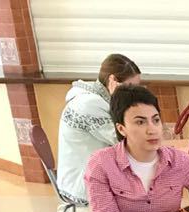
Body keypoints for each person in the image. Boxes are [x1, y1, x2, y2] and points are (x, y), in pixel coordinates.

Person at [55, 53, 140, 204]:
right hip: (81, 185)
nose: (134, 93)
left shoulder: (98, 99)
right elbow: (125, 140)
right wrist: (119, 101)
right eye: (130, 87)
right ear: (112, 81)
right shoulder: (89, 103)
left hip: (95, 173)